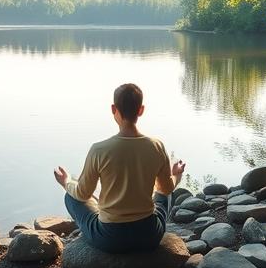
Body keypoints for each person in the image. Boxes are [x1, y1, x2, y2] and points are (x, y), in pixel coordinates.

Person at [53, 83, 186, 253]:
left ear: (113, 109)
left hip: (109, 238)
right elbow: (166, 189)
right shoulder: (156, 146)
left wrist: (66, 182)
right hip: (149, 235)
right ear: (141, 110)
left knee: (71, 197)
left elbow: (82, 193)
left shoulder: (99, 150)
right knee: (164, 196)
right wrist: (177, 175)